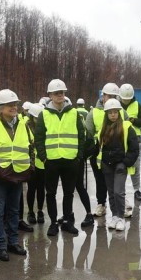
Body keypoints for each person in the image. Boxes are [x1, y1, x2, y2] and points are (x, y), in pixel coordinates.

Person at [0, 88, 34, 262]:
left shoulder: (23, 124)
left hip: (18, 175)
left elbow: (30, 148)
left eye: (15, 104)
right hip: (0, 178)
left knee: (14, 211)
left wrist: (30, 166)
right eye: (9, 105)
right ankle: (1, 246)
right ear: (0, 108)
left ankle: (13, 242)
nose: (14, 107)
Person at [34, 78, 89, 236]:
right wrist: (44, 157)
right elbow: (39, 138)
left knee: (68, 193)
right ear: (50, 95)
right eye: (56, 93)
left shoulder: (74, 113)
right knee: (50, 193)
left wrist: (78, 156)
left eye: (62, 92)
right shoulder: (44, 115)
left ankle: (66, 222)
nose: (60, 95)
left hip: (71, 160)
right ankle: (53, 223)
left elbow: (81, 136)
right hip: (51, 161)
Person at [99, 98, 140, 231]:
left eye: (115, 112)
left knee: (118, 192)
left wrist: (125, 162)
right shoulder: (103, 128)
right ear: (106, 114)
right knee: (111, 193)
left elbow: (134, 148)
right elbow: (100, 147)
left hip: (120, 165)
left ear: (119, 112)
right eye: (110, 112)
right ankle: (115, 216)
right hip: (107, 165)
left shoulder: (126, 126)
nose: (113, 115)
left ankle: (121, 217)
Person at [85, 82, 121, 218]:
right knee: (100, 180)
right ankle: (101, 204)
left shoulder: (121, 112)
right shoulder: (93, 113)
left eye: (114, 96)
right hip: (98, 153)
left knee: (117, 181)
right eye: (109, 96)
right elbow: (88, 134)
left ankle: (120, 206)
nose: (111, 99)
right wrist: (90, 150)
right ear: (103, 96)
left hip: (117, 152)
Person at [118, 83, 141, 205]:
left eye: (128, 99)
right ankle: (121, 191)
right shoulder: (116, 106)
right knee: (120, 168)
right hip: (120, 140)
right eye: (124, 99)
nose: (126, 100)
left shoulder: (137, 105)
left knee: (135, 168)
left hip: (135, 140)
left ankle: (137, 190)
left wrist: (134, 121)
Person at [24, 103, 47, 227]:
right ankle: (30, 212)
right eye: (36, 118)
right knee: (31, 188)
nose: (38, 120)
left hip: (42, 163)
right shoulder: (26, 128)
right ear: (32, 117)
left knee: (41, 188)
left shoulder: (45, 127)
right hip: (31, 164)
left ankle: (40, 211)